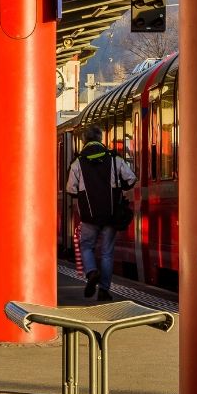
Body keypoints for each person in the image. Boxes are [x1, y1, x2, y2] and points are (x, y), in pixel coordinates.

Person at [65, 126, 136, 302]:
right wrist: (120, 188)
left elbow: (70, 189)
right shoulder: (114, 159)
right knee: (107, 253)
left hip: (89, 217)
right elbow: (131, 178)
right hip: (111, 216)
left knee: (87, 246)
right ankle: (104, 290)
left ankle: (91, 272)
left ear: (84, 141)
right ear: (101, 139)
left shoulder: (77, 163)